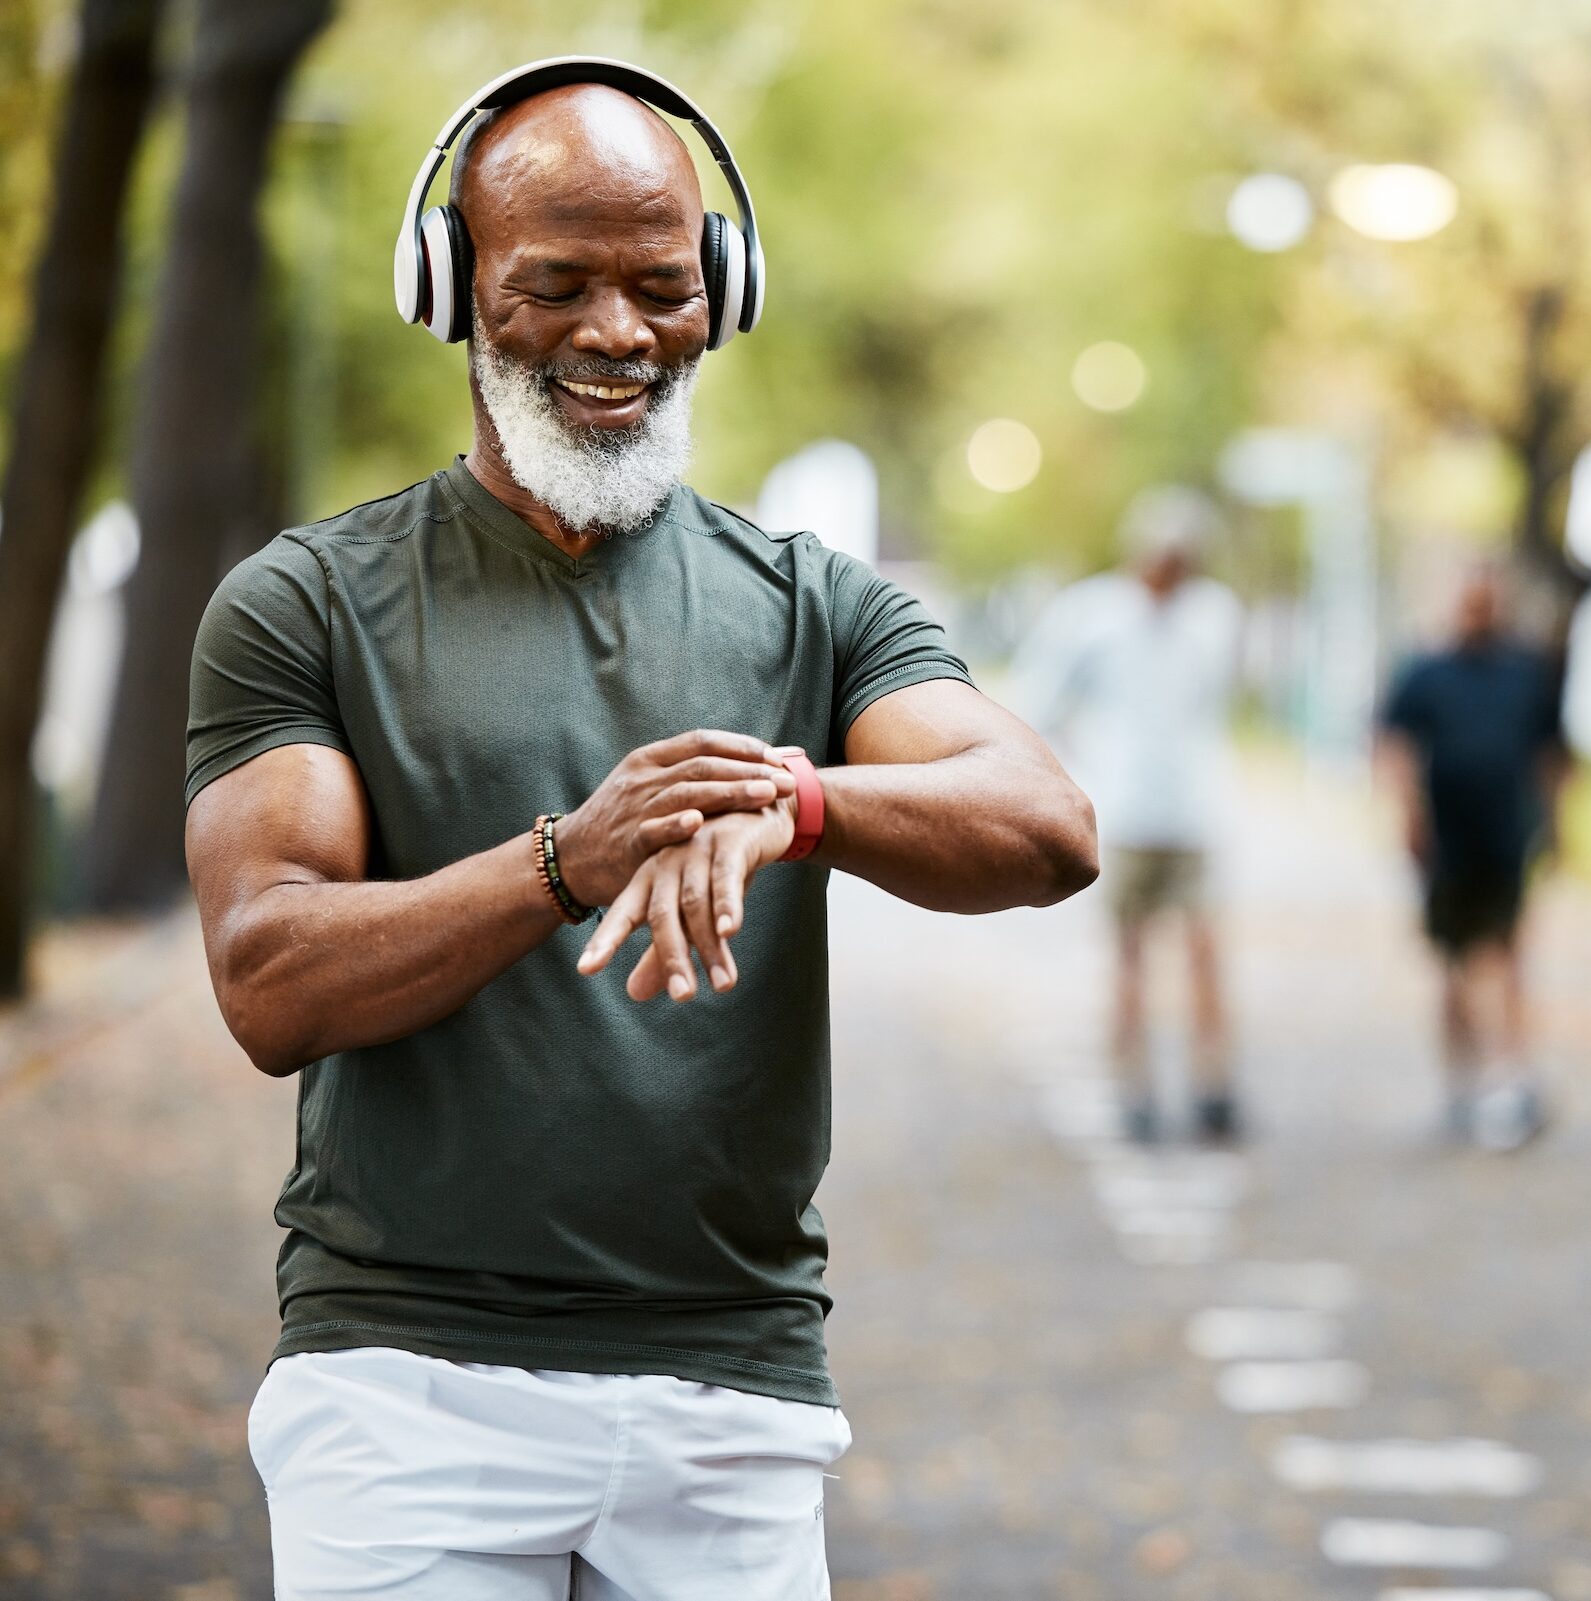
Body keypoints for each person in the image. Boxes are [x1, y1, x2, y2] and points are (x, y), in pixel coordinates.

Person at [182, 64, 1096, 1599]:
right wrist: (562, 864)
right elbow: (271, 979)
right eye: (558, 286)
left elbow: (1045, 825)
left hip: (730, 1392)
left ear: (721, 290)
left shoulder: (815, 604)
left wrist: (794, 799)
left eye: (663, 286)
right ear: (450, 286)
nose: (618, 333)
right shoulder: (307, 602)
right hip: (407, 1388)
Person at [1015, 487, 1245, 1143]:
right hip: (1125, 812)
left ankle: (1212, 1083)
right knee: (1129, 955)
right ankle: (1134, 1085)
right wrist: (1082, 767)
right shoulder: (1092, 615)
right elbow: (1044, 700)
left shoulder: (1213, 616)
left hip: (1194, 809)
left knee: (1204, 951)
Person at [1378, 560, 1568, 1150]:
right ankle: (1461, 1083)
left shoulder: (1524, 672)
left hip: (1506, 835)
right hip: (1447, 840)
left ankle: (1510, 1079)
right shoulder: (1427, 671)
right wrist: (1407, 813)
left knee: (1508, 956)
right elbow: (1394, 742)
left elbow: (1550, 751)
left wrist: (1557, 823)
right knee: (1453, 963)